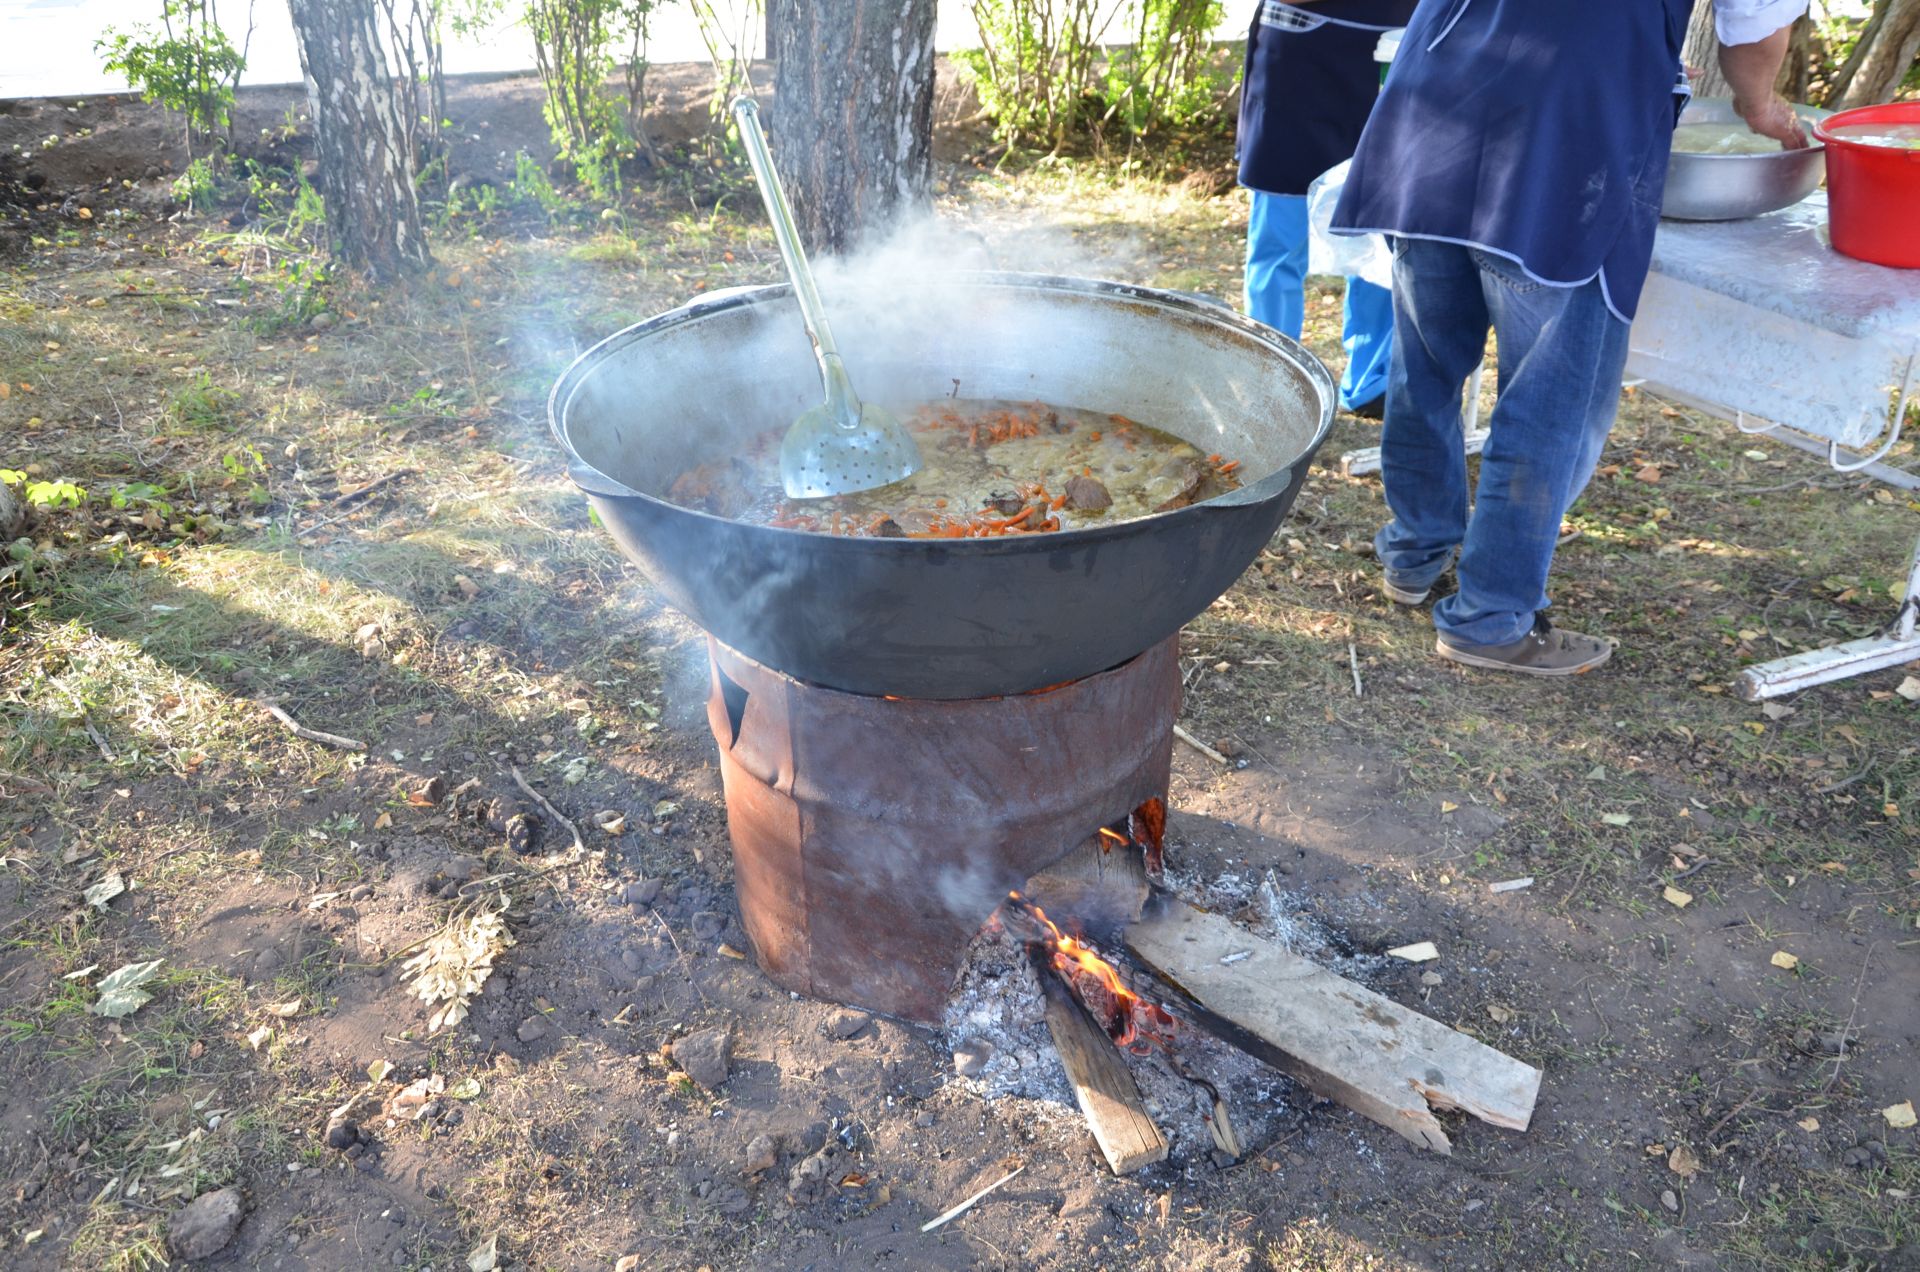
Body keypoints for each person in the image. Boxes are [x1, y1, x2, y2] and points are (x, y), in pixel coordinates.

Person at [1330, 0, 1807, 676]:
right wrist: (1759, 105)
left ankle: (1414, 552)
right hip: (1561, 148)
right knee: (1550, 405)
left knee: (1426, 363)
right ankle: (1489, 617)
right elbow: (1757, 24)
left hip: (1430, 115)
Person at [1238, 0, 1417, 418]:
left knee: (1379, 223)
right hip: (1303, 45)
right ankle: (1272, 382)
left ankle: (1373, 381)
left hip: (1396, 44)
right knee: (1279, 235)